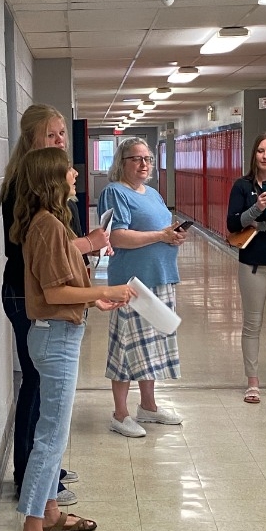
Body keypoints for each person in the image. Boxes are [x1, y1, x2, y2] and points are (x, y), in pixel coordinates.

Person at [11, 146, 134, 531]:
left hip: (60, 331)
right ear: (51, 179)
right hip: (54, 338)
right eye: (68, 172)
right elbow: (53, 291)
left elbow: (64, 288)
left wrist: (91, 300)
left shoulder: (52, 223)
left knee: (54, 434)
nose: (76, 177)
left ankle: (48, 511)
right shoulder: (46, 226)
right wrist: (105, 289)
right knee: (49, 439)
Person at [0, 104, 110, 505]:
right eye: (52, 135)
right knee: (37, 385)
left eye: (63, 134)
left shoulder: (51, 190)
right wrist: (87, 247)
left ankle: (44, 473)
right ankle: (31, 475)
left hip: (42, 295)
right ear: (32, 140)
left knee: (47, 393)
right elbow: (40, 255)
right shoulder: (24, 188)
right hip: (27, 295)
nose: (61, 142)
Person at [97, 137, 187, 437]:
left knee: (152, 347)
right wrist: (160, 236)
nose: (144, 164)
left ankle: (148, 406)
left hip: (160, 275)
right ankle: (120, 414)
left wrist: (172, 235)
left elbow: (161, 229)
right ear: (122, 162)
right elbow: (118, 237)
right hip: (132, 282)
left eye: (147, 158)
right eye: (136, 159)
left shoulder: (153, 194)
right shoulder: (114, 192)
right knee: (126, 348)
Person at [227, 130, 266, 404]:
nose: (265, 156)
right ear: (254, 154)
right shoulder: (242, 186)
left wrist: (259, 225)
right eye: (261, 151)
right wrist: (256, 209)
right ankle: (253, 382)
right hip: (252, 264)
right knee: (252, 324)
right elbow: (233, 224)